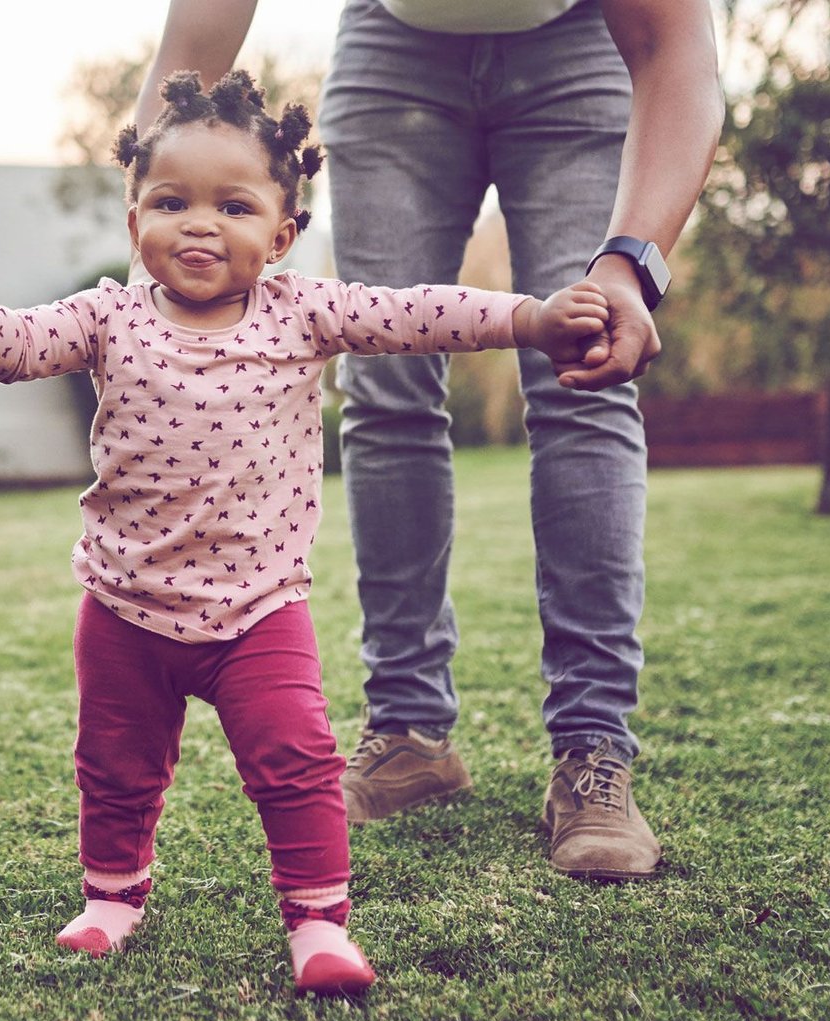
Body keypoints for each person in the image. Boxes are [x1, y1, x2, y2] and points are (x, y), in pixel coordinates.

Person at [0, 71, 614, 993]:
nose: (199, 224)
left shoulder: (303, 312)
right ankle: (111, 897)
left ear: (282, 236)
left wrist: (530, 318)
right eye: (171, 202)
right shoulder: (107, 316)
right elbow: (17, 348)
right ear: (135, 222)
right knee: (114, 767)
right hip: (124, 608)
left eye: (234, 206)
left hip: (258, 614)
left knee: (297, 765)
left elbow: (420, 311)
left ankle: (319, 925)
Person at [135, 0, 723, 879]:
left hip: (579, 49)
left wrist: (630, 265)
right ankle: (409, 732)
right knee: (386, 385)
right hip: (393, 53)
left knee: (587, 368)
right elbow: (192, 47)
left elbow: (676, 49)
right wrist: (145, 252)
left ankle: (594, 747)